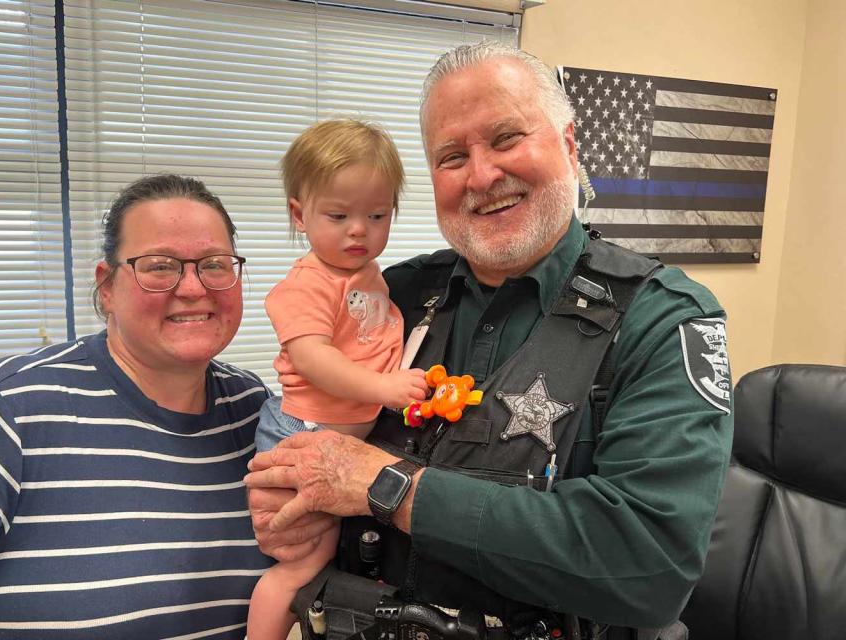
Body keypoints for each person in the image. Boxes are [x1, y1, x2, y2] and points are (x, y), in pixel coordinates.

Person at [244, 42, 734, 639]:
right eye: (452, 156)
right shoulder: (393, 296)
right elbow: (309, 417)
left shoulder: (661, 319)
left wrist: (388, 486)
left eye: (505, 139)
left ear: (569, 144)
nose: (481, 175)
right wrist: (283, 505)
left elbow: (653, 567)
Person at [0, 175, 318, 640]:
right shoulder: (0, 411)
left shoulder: (255, 411)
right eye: (159, 266)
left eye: (214, 265)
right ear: (107, 287)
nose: (193, 288)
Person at [247, 119, 428, 640]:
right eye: (339, 215)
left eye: (377, 215)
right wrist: (385, 389)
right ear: (299, 214)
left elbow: (374, 342)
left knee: (328, 565)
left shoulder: (371, 276)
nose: (359, 230)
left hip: (342, 443)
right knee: (298, 567)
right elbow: (312, 358)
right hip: (301, 433)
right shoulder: (307, 283)